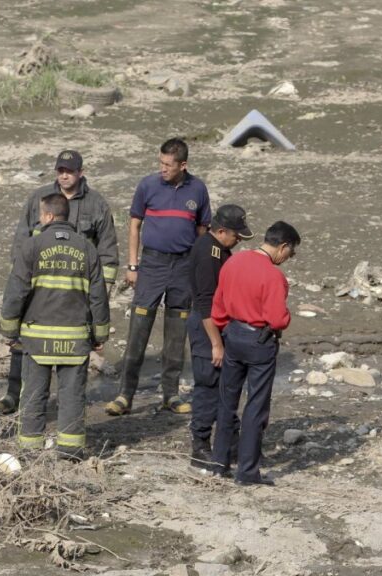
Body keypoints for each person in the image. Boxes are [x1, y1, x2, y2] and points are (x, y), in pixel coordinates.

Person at [0, 150, 119, 414]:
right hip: (39, 288)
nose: (64, 175)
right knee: (25, 343)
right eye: (60, 170)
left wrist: (102, 293)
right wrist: (19, 281)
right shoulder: (38, 199)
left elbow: (107, 253)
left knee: (73, 347)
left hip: (76, 291)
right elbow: (21, 242)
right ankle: (14, 394)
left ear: (81, 173)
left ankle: (68, 401)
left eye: (69, 171)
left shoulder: (96, 204)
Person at [0, 193, 111, 460]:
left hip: (37, 339)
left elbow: (15, 293)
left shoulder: (32, 246)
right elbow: (98, 296)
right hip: (74, 339)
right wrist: (100, 335)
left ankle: (29, 450)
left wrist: (10, 332)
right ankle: (70, 451)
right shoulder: (87, 248)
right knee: (72, 396)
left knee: (33, 394)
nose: (39, 219)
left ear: (48, 216)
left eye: (41, 214)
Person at [105, 138, 212, 416]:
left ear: (183, 165)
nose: (162, 168)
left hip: (184, 267)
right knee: (138, 330)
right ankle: (125, 395)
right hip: (152, 264)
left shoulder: (198, 189)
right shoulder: (147, 186)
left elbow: (202, 233)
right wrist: (132, 266)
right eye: (160, 163)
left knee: (176, 333)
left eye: (168, 164)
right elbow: (134, 225)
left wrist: (199, 269)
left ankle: (170, 395)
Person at [211, 221, 300, 486]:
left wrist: (226, 330)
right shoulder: (273, 276)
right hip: (259, 341)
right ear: (283, 246)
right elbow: (277, 319)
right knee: (256, 406)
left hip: (233, 334)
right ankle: (247, 472)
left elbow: (218, 305)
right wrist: (286, 318)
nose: (289, 257)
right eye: (291, 252)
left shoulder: (234, 262)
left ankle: (219, 463)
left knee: (227, 400)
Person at [187, 205, 254, 469]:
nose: (238, 241)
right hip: (207, 326)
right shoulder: (208, 252)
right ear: (222, 231)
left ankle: (231, 444)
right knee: (208, 384)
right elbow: (205, 302)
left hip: (218, 323)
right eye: (236, 235)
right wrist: (215, 343)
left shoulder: (219, 249)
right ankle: (200, 446)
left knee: (226, 383)